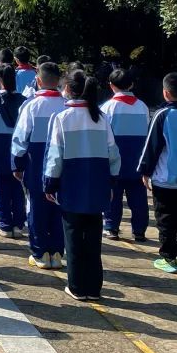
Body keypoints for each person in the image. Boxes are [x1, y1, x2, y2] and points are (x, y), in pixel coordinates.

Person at [43, 71, 120, 302]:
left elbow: (55, 157)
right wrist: (112, 181)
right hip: (97, 185)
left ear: (68, 89)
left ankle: (77, 286)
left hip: (71, 186)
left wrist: (49, 183)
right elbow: (113, 154)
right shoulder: (101, 118)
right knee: (94, 240)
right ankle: (94, 288)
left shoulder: (62, 118)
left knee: (73, 238)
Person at [138, 72, 177, 275]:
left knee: (166, 220)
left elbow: (151, 147)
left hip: (165, 180)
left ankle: (169, 258)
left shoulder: (162, 115)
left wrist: (145, 171)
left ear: (165, 93)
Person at [12, 62, 68, 269]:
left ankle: (40, 253)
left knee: (36, 208)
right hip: (62, 166)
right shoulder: (67, 105)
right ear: (59, 81)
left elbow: (20, 139)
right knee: (59, 208)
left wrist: (17, 164)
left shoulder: (31, 105)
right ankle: (57, 252)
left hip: (35, 164)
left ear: (38, 80)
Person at [101, 69, 150, 241]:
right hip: (137, 159)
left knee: (113, 195)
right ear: (132, 84)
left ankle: (111, 227)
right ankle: (139, 230)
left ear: (111, 85)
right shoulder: (142, 106)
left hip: (115, 160)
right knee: (139, 198)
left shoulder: (107, 107)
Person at [0, 63, 27, 238]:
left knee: (0, 186)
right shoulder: (24, 100)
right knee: (18, 186)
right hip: (19, 145)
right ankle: (18, 224)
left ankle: (5, 224)